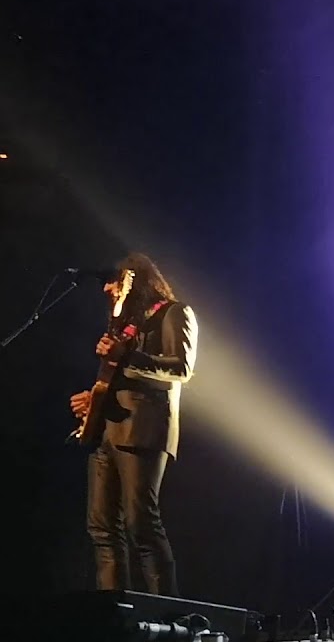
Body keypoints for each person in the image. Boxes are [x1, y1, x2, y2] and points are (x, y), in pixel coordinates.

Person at [69, 253, 198, 595]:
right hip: (106, 430)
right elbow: (118, 378)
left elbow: (182, 368)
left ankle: (166, 611)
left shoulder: (174, 312)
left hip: (143, 430)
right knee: (102, 529)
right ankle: (113, 612)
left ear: (134, 280)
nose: (107, 290)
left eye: (112, 281)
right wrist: (94, 399)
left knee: (141, 523)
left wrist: (127, 356)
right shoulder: (124, 324)